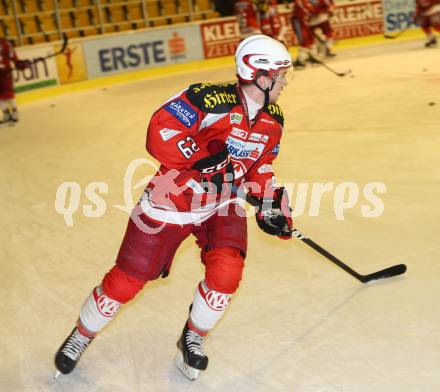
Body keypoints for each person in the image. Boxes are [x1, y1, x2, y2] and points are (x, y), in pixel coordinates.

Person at [54, 34, 294, 381]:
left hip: (222, 204)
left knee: (227, 273)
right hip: (172, 202)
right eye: (281, 74)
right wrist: (202, 161)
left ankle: (193, 336)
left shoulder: (274, 119)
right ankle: (81, 335)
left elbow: (260, 166)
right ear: (259, 74)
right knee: (126, 282)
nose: (285, 81)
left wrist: (270, 201)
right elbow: (160, 130)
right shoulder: (207, 98)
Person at [0, 37, 28, 125]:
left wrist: (18, 63)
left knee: (8, 94)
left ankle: (15, 112)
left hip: (5, 73)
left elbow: (13, 55)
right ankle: (6, 113)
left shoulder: (4, 43)